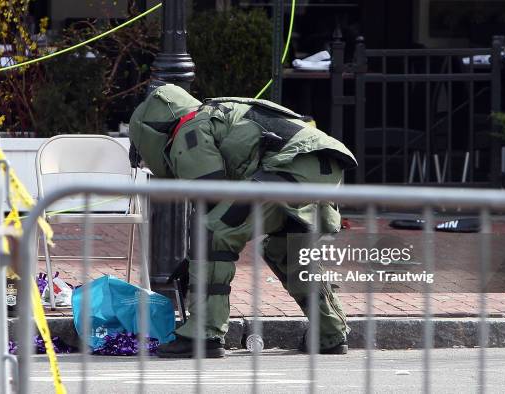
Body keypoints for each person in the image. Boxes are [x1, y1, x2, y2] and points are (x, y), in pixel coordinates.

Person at [129, 84, 357, 358]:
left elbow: (212, 195)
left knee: (212, 233)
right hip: (320, 166)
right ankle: (330, 332)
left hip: (288, 167)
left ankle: (205, 333)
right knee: (286, 249)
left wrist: (197, 259)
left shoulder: (188, 129)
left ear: (149, 132)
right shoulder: (217, 113)